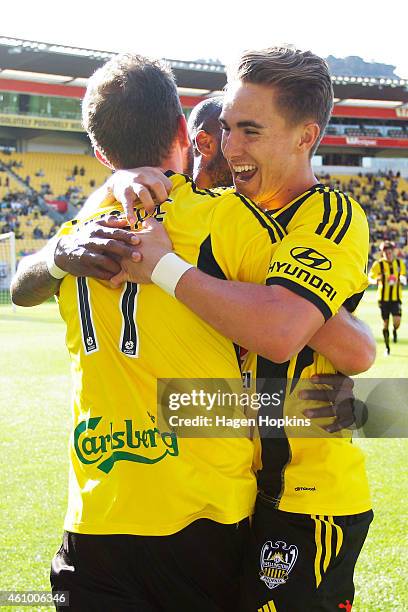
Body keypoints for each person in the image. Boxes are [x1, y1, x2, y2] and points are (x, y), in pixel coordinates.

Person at [11, 52, 374, 612]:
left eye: (249, 131)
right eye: (225, 129)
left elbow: (340, 346)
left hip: (292, 495)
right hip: (222, 502)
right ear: (189, 132)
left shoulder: (316, 214)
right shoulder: (217, 218)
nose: (229, 148)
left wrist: (153, 260)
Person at [369, 240, 406, 354]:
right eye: (386, 252)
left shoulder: (399, 264)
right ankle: (387, 348)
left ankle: (394, 331)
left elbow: (403, 275)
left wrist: (402, 279)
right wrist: (375, 280)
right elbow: (370, 277)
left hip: (396, 298)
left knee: (397, 322)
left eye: (390, 252)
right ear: (382, 253)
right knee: (385, 324)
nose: (388, 254)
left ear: (393, 252)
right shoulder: (378, 265)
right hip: (383, 299)